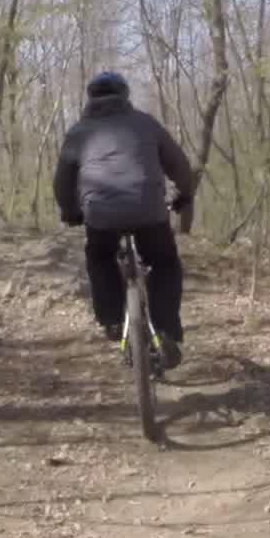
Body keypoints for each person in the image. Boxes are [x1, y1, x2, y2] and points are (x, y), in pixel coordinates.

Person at [52, 71, 196, 369]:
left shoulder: (79, 132)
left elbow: (63, 182)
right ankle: (166, 328)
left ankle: (113, 321)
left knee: (100, 257)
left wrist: (70, 211)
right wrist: (184, 194)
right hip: (149, 210)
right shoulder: (146, 123)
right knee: (164, 262)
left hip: (101, 214)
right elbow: (180, 165)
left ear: (91, 99)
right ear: (125, 95)